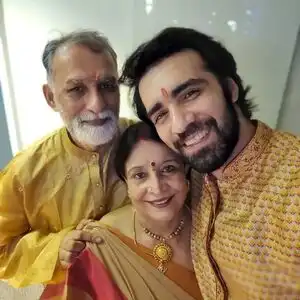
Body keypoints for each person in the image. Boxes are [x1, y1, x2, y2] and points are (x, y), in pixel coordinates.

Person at [119, 27, 300, 299]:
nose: (180, 125)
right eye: (161, 115)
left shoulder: (292, 191)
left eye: (190, 94)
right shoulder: (193, 176)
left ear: (230, 88)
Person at [0, 30, 133, 288]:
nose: (97, 104)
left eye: (107, 86)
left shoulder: (149, 143)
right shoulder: (25, 172)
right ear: (51, 97)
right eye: (76, 89)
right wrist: (56, 248)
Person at [40, 121, 202, 300]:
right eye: (139, 175)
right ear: (126, 182)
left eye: (168, 169)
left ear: (185, 170)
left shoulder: (212, 224)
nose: (157, 187)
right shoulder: (101, 244)